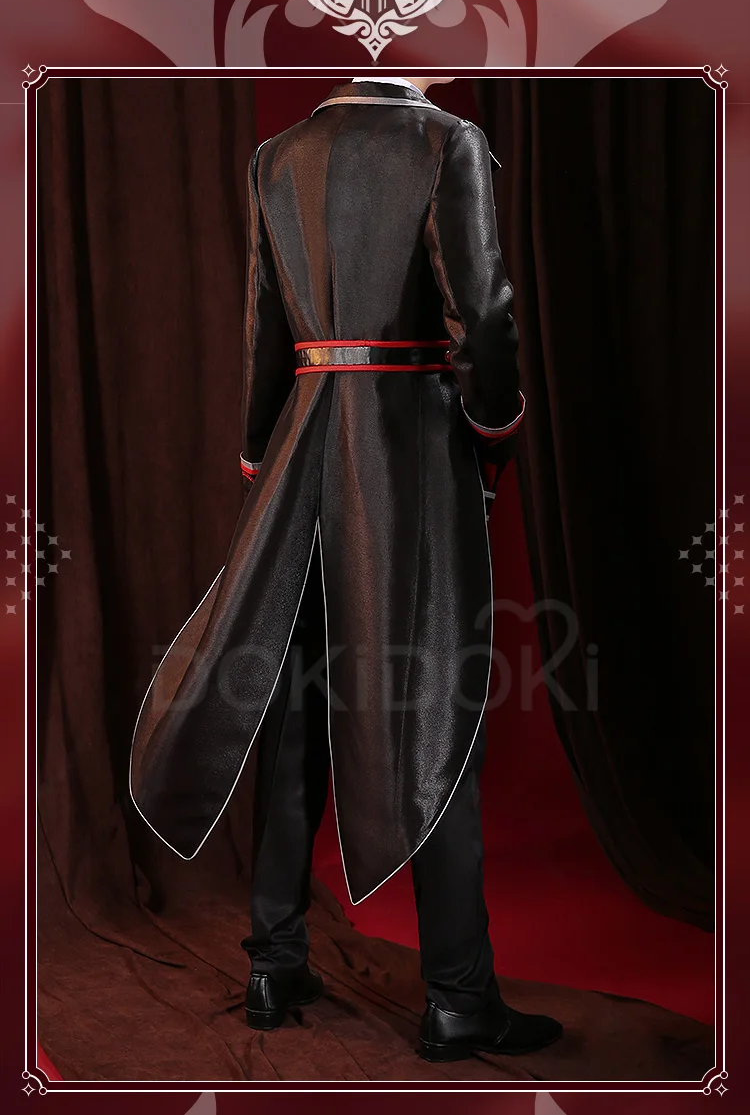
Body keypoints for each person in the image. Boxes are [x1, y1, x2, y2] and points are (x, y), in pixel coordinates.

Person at [130, 76, 563, 1063]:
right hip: (408, 456)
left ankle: (274, 962)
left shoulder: (276, 156)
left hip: (299, 450)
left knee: (291, 710)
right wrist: (492, 429)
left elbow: (265, 329)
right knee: (432, 702)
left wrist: (260, 452)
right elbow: (484, 317)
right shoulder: (446, 141)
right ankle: (459, 995)